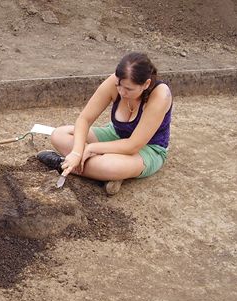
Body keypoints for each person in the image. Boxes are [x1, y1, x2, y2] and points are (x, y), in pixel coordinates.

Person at [37, 52, 172, 195]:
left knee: (112, 166)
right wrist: (77, 152)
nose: (121, 92)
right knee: (59, 134)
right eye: (118, 86)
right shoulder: (117, 81)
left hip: (146, 149)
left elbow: (133, 145)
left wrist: (92, 148)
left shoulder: (160, 95)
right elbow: (84, 119)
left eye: (128, 89)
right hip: (115, 134)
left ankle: (63, 164)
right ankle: (98, 172)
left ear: (146, 84)